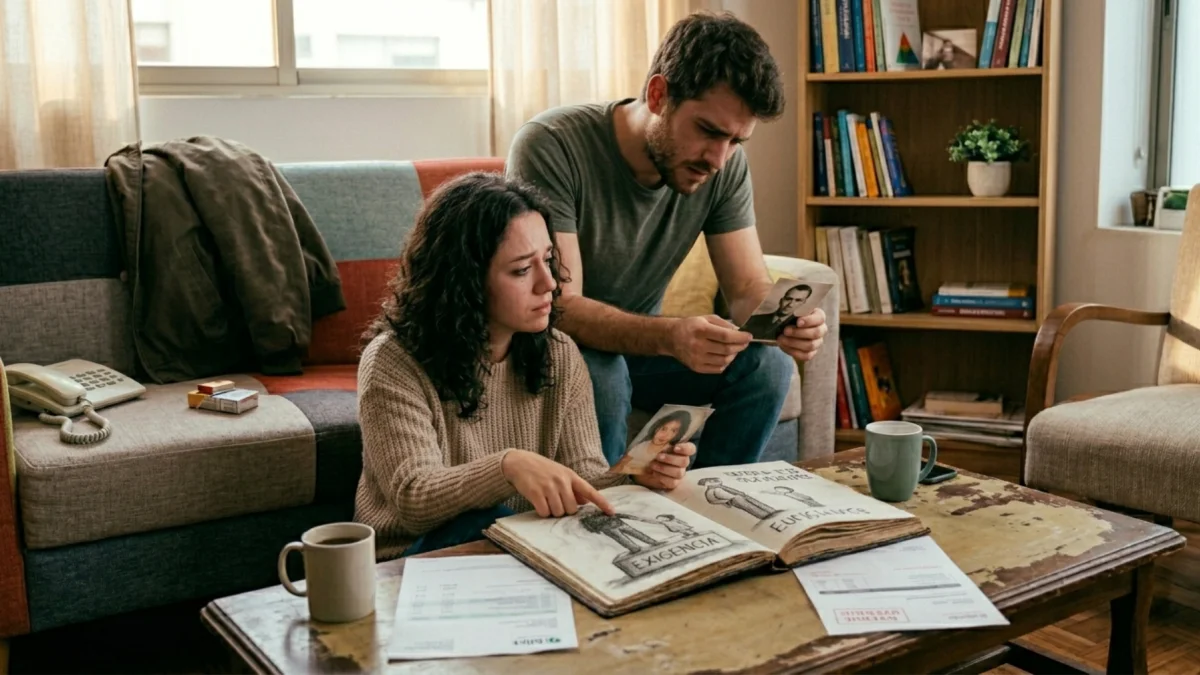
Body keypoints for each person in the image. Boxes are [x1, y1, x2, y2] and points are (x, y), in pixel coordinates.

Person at [507, 11, 829, 469]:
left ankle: (707, 512)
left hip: (642, 351)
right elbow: (560, 305)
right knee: (603, 373)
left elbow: (744, 290)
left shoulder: (723, 167)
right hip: (555, 348)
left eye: (737, 141)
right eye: (709, 131)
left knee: (767, 368)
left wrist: (786, 322)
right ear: (659, 94)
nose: (719, 158)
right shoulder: (552, 146)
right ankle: (602, 523)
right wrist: (670, 336)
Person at [353, 172, 697, 560]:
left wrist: (632, 475)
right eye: (521, 270)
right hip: (414, 557)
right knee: (487, 521)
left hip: (522, 545)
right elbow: (413, 499)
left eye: (548, 260)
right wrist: (508, 466)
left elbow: (584, 474)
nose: (548, 283)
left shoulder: (559, 353)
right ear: (464, 280)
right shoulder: (392, 361)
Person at [612, 408, 693, 474]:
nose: (665, 435)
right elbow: (621, 464)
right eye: (663, 429)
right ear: (656, 428)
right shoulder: (642, 445)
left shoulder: (669, 451)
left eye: (673, 431)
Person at [740, 284, 813, 340]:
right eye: (788, 299)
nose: (790, 305)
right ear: (781, 300)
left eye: (798, 300)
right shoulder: (754, 319)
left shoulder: (799, 326)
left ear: (803, 303)